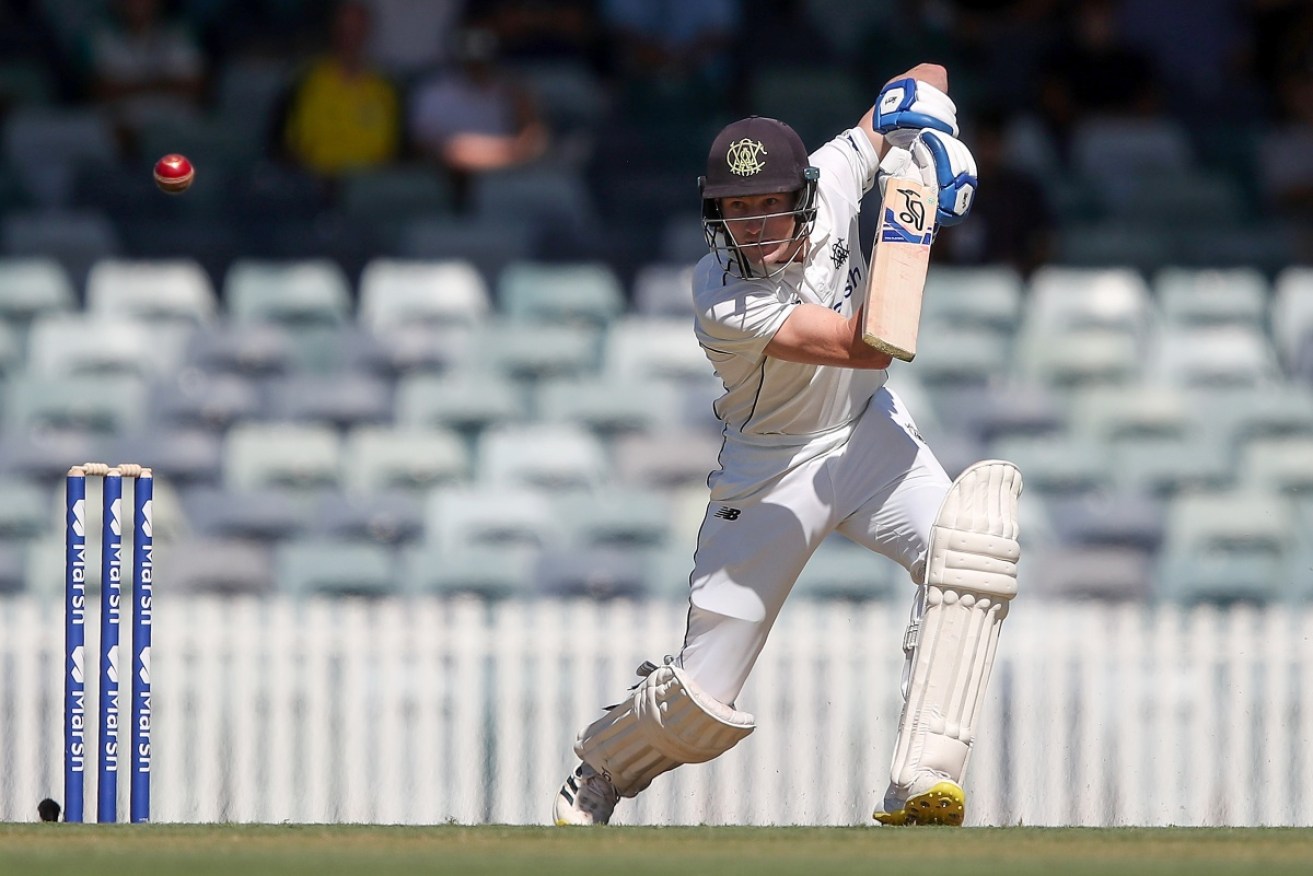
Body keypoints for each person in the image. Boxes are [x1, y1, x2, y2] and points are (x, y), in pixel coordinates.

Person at [552, 63, 1023, 828]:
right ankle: (603, 766)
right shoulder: (720, 294)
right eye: (738, 211)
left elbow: (921, 76)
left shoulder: (835, 175)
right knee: (700, 706)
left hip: (865, 436)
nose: (758, 225)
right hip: (770, 472)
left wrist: (923, 124)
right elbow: (869, 344)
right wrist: (914, 207)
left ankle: (923, 779)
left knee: (970, 544)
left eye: (772, 204)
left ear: (804, 193)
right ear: (716, 218)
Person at [278, 1, 404, 177]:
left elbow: (390, 151)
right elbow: (291, 145)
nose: (351, 36)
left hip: (368, 186)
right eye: (345, 29)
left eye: (357, 29)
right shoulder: (307, 80)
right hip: (315, 182)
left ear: (368, 33)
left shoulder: (385, 87)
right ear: (334, 30)